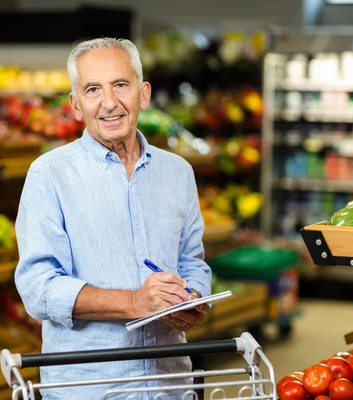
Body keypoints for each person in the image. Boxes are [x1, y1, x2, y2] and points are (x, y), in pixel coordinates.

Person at [14, 37, 212, 399]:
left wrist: (194, 298)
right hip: (88, 389)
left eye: (121, 85)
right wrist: (134, 302)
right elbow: (38, 289)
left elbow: (192, 261)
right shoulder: (48, 175)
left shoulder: (178, 172)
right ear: (76, 104)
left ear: (144, 94)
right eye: (92, 89)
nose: (109, 102)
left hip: (170, 385)